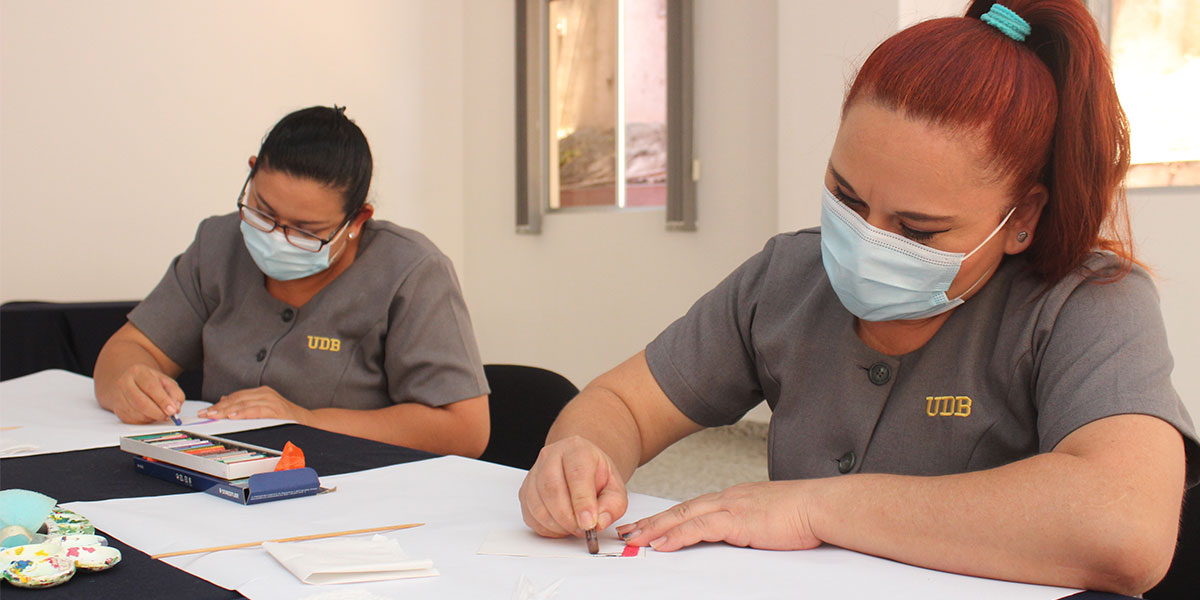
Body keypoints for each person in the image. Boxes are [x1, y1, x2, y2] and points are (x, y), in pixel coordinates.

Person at [518, 0, 1198, 594]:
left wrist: (815, 508)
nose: (866, 240)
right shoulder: (786, 278)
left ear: (1020, 219)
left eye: (917, 229)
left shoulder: (1088, 303)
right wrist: (581, 454)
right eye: (845, 196)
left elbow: (1124, 529)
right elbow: (621, 405)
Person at [94, 106, 490, 458]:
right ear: (251, 172)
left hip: (354, 488)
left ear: (357, 220)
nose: (275, 238)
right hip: (223, 474)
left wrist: (305, 420)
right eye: (263, 213)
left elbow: (465, 430)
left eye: (306, 231)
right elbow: (131, 348)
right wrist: (129, 383)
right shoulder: (218, 243)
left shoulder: (411, 270)